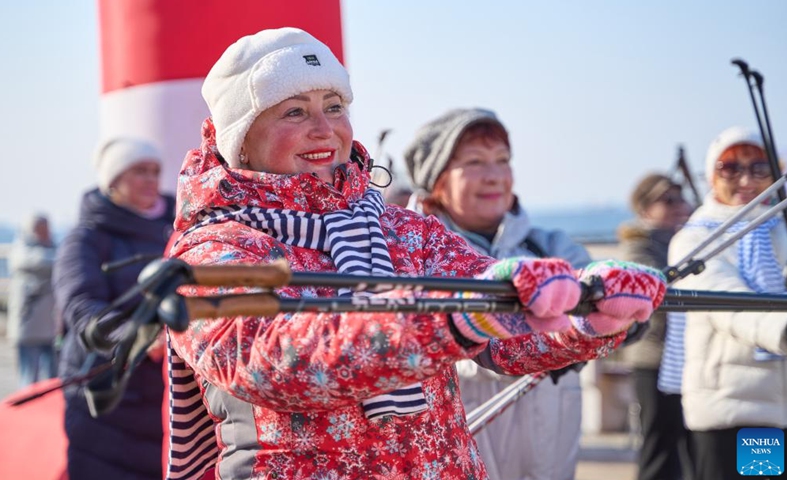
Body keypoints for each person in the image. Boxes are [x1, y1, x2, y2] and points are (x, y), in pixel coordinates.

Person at [164, 27, 666, 480]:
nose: (324, 128)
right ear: (241, 140)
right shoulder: (213, 250)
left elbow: (503, 328)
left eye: (334, 106)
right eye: (294, 111)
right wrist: (448, 320)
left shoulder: (404, 230)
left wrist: (587, 315)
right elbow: (273, 364)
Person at [402, 107, 592, 480]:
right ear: (437, 180)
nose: (494, 175)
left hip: (549, 452)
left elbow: (592, 292)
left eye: (502, 160)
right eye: (474, 162)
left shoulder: (551, 248)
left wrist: (607, 319)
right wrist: (540, 343)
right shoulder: (408, 254)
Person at [668, 126, 787, 480]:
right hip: (739, 411)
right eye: (730, 168)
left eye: (760, 168)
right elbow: (726, 304)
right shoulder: (696, 238)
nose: (746, 180)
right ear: (711, 176)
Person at [52, 138, 175, 480]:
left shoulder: (180, 228)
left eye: (155, 171)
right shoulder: (86, 238)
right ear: (113, 180)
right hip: (106, 396)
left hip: (164, 394)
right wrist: (139, 339)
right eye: (139, 171)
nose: (151, 179)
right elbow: (81, 305)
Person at [617, 173, 693, 480]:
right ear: (644, 208)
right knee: (659, 442)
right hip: (654, 359)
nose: (680, 206)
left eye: (681, 198)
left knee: (689, 446)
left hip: (686, 358)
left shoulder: (686, 241)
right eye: (668, 200)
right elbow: (654, 287)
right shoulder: (637, 247)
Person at [7, 213, 59, 387]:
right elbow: (37, 261)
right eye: (40, 228)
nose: (45, 232)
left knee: (53, 379)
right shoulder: (22, 250)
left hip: (51, 327)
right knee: (30, 380)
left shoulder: (55, 249)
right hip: (28, 325)